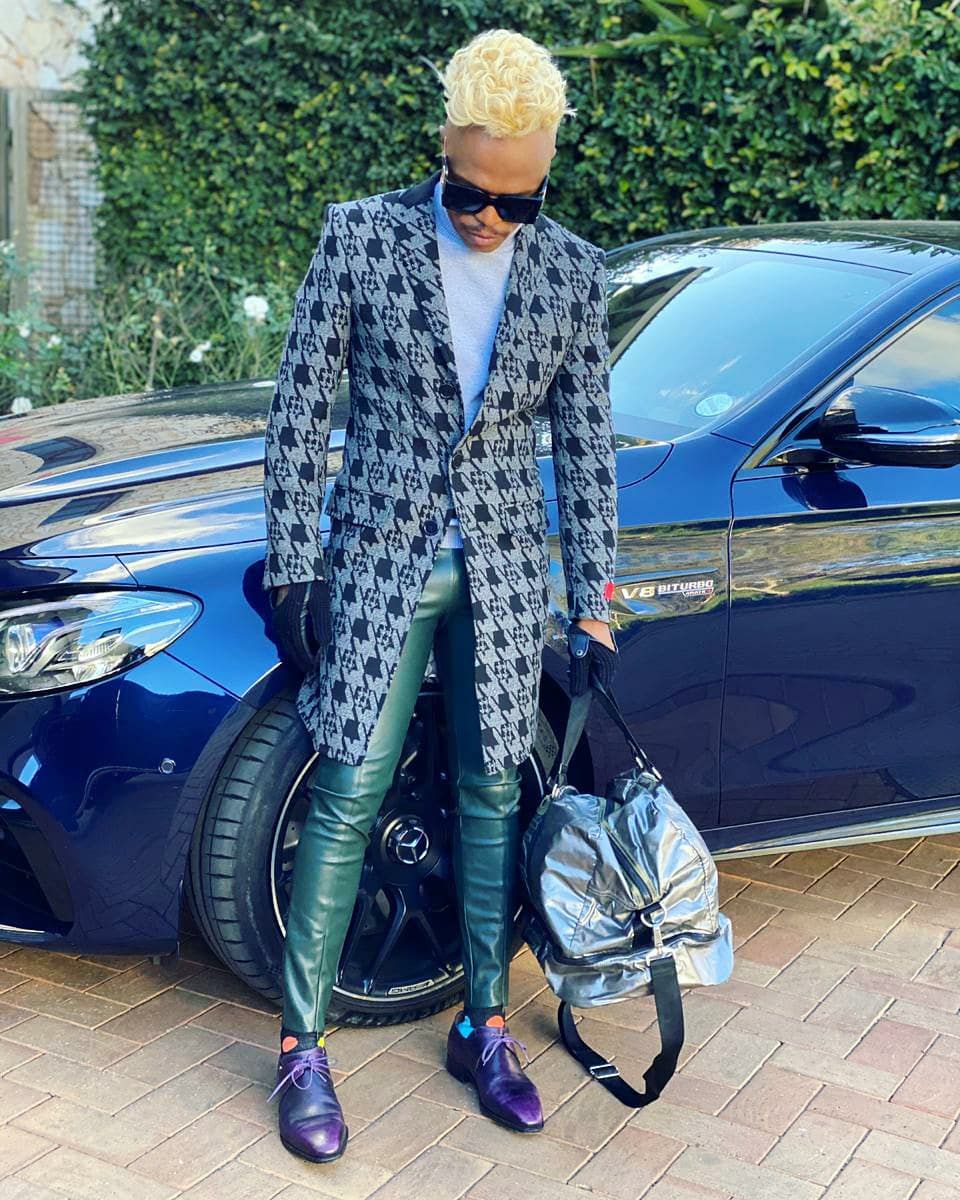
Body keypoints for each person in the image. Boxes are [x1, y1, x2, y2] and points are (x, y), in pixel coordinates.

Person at [261, 27, 619, 1164]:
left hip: (506, 570)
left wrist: (595, 601)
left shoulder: (573, 273)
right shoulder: (360, 237)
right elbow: (298, 412)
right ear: (444, 150)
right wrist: (295, 569)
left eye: (517, 201)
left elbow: (588, 447)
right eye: (470, 192)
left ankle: (484, 1026)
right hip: (379, 562)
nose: (489, 219)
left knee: (489, 793)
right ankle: (302, 1049)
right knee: (348, 787)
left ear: (545, 178)